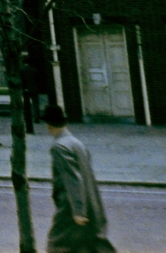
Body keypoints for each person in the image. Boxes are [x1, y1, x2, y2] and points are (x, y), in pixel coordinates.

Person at [43, 103, 116, 253]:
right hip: (91, 204)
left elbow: (72, 179)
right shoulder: (77, 143)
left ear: (48, 125)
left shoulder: (59, 147)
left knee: (57, 244)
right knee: (91, 244)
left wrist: (78, 211)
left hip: (70, 208)